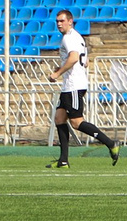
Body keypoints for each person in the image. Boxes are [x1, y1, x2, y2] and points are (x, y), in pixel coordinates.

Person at [45, 9, 120, 168]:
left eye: (62, 21)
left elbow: (73, 58)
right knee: (59, 118)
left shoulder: (69, 37)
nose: (59, 24)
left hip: (73, 86)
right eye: (57, 21)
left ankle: (111, 143)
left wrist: (58, 73)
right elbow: (84, 62)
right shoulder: (78, 38)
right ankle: (63, 161)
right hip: (70, 85)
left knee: (77, 123)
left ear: (70, 21)